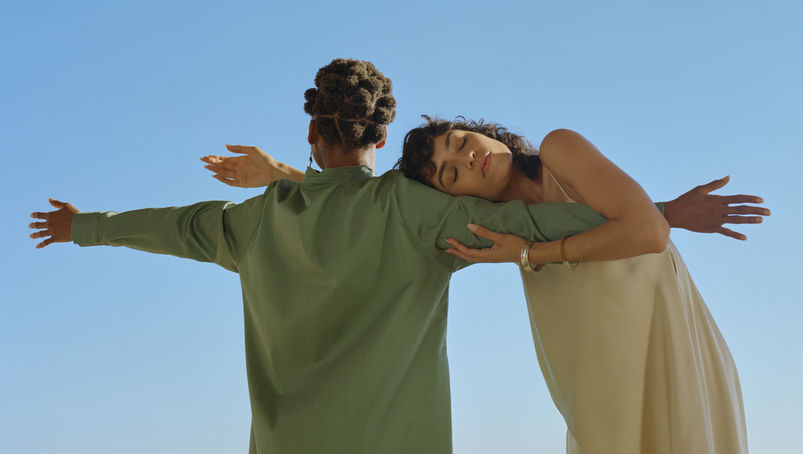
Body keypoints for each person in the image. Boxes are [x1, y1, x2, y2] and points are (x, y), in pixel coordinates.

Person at [27, 59, 633, 454]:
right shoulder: (418, 212)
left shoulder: (254, 222)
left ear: (312, 133)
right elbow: (559, 218)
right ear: (383, 136)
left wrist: (82, 226)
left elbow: (175, 227)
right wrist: (653, 214)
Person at [202, 117, 768, 454]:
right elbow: (378, 210)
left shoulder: (558, 151)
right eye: (450, 174)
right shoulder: (490, 230)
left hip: (663, 341)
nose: (466, 157)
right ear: (452, 201)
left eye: (458, 140)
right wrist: (286, 177)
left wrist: (529, 255)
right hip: (598, 375)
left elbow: (645, 231)